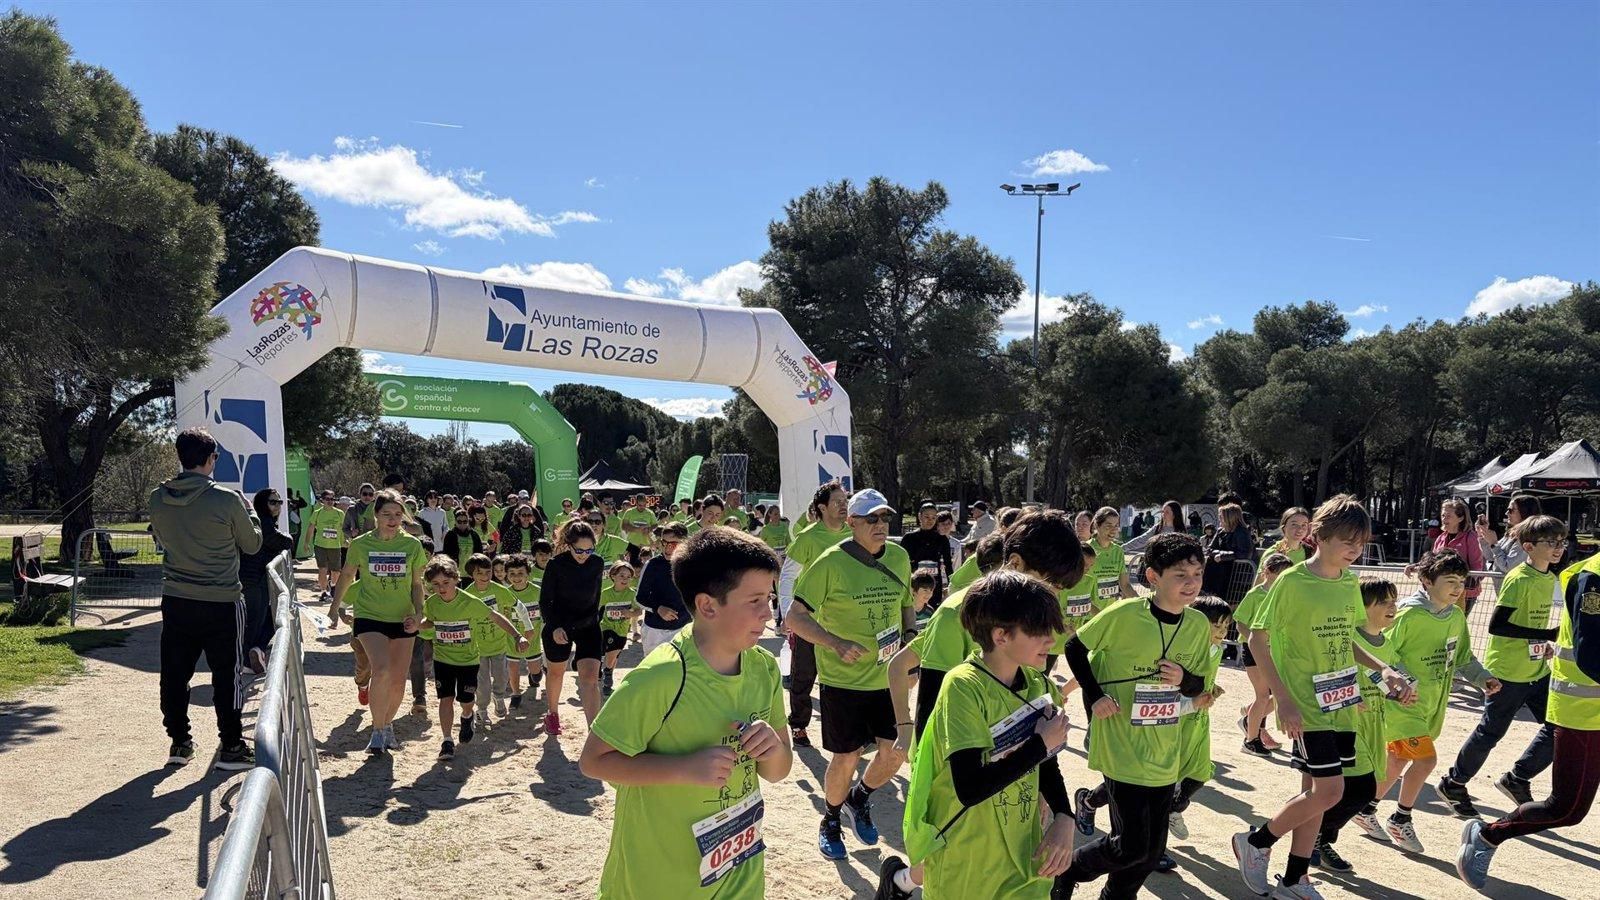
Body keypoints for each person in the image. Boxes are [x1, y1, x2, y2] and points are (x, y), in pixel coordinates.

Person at [580, 526, 792, 899]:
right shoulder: (662, 674)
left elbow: (777, 771)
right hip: (658, 882)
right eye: (755, 600)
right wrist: (683, 768)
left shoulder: (764, 668)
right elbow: (593, 761)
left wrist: (773, 750)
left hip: (739, 875)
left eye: (770, 598)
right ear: (708, 606)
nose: (768, 612)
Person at [1233, 495, 1418, 899]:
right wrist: (1282, 698)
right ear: (1320, 536)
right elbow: (1257, 639)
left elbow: (1346, 639)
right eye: (1347, 541)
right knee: (1331, 792)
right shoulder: (1292, 581)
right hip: (1304, 704)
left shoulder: (1349, 582)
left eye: (1360, 543)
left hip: (1341, 702)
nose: (1355, 550)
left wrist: (1383, 669)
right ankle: (1256, 842)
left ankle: (1295, 878)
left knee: (1315, 795)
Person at [878, 570, 1076, 900]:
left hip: (1021, 852)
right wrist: (1040, 744)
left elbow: (1046, 763)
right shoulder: (963, 686)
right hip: (965, 855)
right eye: (1039, 631)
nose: (1051, 640)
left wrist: (1064, 816)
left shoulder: (1039, 685)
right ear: (1001, 636)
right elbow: (970, 788)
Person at [1055, 532, 1213, 899]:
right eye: (1180, 575)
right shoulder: (1125, 614)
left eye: (1197, 574)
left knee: (1150, 854)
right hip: (1121, 743)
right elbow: (1075, 646)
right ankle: (1068, 871)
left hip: (1164, 748)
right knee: (1131, 845)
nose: (1191, 583)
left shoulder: (1198, 624)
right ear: (1154, 577)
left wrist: (1184, 678)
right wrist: (1095, 696)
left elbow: (1198, 686)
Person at [1457, 548, 1600, 890]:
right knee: (1567, 809)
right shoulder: (1592, 579)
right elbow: (1590, 655)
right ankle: (1488, 836)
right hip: (1583, 712)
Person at [786, 488, 915, 861]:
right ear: (852, 523)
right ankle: (830, 819)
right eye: (871, 518)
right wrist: (835, 642)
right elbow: (795, 617)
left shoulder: (900, 557)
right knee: (847, 757)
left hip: (887, 678)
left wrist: (910, 640)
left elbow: (907, 603)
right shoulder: (830, 563)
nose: (880, 525)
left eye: (885, 518)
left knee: (895, 753)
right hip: (843, 681)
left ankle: (860, 797)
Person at [891, 510, 1084, 742]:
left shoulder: (1032, 615)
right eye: (1051, 585)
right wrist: (905, 726)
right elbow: (931, 712)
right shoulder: (957, 614)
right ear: (1015, 563)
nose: (1054, 596)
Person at [1369, 550, 1500, 851]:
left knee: (1398, 760)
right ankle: (1401, 818)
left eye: (1462, 581)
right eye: (1450, 580)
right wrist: (1400, 685)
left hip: (1433, 703)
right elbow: (1382, 653)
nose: (1457, 587)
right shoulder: (1407, 614)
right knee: (1426, 760)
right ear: (1427, 580)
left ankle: (1365, 808)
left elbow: (1462, 657)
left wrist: (1483, 678)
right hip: (1402, 704)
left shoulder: (1455, 616)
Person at [149, 427, 264, 769]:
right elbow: (252, 544)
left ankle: (179, 742)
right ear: (211, 458)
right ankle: (232, 746)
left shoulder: (158, 497)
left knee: (174, 673)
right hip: (222, 599)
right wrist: (251, 512)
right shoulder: (227, 500)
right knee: (227, 675)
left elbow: (162, 538)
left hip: (177, 597)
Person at [1440, 515, 1565, 815]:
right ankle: (1453, 783)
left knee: (1561, 727)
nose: (1558, 548)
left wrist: (1541, 643)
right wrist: (1546, 634)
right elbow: (1497, 625)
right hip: (1507, 672)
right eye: (1551, 542)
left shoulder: (1549, 578)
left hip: (1536, 670)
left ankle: (1517, 778)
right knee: (1491, 732)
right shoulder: (1518, 579)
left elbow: (1529, 623)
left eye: (1561, 542)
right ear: (1529, 547)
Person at [1311, 576, 1405, 873]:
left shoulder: (1387, 645)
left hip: (1375, 724)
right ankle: (1313, 834)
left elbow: (1383, 680)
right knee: (1360, 790)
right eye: (1384, 602)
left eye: (1394, 601)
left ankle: (1319, 839)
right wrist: (1348, 696)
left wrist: (1400, 692)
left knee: (1359, 788)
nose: (1392, 607)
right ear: (1361, 608)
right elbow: (1326, 673)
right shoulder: (1346, 638)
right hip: (1346, 725)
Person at [328, 488, 428, 753]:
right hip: (369, 615)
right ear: (376, 515)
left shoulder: (412, 545)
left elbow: (417, 584)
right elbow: (347, 575)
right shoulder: (361, 544)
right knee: (381, 670)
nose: (393, 520)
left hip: (403, 618)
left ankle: (387, 725)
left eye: (397, 514)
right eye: (387, 514)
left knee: (398, 680)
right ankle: (376, 730)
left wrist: (419, 614)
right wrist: (335, 608)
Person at [418, 555, 528, 759]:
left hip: (467, 661)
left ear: (456, 579)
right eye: (436, 584)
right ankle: (447, 741)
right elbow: (430, 621)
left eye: (446, 582)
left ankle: (467, 715)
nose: (441, 588)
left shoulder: (470, 602)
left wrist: (517, 635)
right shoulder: (432, 603)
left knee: (466, 700)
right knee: (445, 699)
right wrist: (417, 624)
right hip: (442, 659)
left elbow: (496, 617)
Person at [1162, 596, 1233, 870]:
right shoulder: (1184, 650)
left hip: (1199, 723)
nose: (1222, 631)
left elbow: (1203, 682)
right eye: (1216, 625)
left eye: (1226, 626)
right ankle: (1155, 847)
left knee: (1201, 774)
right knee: (1159, 784)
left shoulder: (1216, 650)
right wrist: (1191, 702)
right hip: (1175, 723)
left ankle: (1174, 809)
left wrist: (1211, 690)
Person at [780, 480, 852, 748]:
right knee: (804, 675)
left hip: (844, 619)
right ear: (822, 508)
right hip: (809, 620)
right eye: (838, 502)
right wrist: (788, 614)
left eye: (845, 501)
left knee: (843, 675)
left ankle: (846, 728)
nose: (844, 506)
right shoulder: (807, 538)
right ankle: (799, 724)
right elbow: (788, 577)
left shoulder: (854, 535)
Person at [539, 520, 606, 735]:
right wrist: (554, 627)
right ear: (569, 545)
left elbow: (596, 597)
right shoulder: (556, 564)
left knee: (590, 678)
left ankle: (594, 730)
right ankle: (552, 714)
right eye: (579, 550)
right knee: (556, 673)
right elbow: (545, 601)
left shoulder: (597, 563)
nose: (584, 555)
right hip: (559, 626)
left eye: (589, 550)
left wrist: (595, 620)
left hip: (588, 625)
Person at [1236, 552, 1295, 756]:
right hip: (1254, 651)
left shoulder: (1285, 596)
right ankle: (1251, 740)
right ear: (1268, 572)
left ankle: (1250, 719)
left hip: (1275, 651)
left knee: (1280, 694)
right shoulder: (1255, 594)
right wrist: (1256, 642)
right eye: (1282, 573)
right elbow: (1240, 623)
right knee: (1262, 696)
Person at [238, 488, 295, 674]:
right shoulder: (263, 521)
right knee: (256, 619)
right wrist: (289, 538)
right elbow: (278, 540)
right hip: (254, 577)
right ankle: (249, 659)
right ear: (263, 504)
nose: (277, 506)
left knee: (270, 615)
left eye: (280, 502)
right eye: (273, 502)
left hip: (255, 576)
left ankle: (257, 650)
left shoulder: (262, 521)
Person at [463, 553, 515, 724]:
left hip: (499, 644)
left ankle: (499, 697)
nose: (485, 576)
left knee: (501, 677)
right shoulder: (466, 595)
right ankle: (482, 710)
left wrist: (523, 630)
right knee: (482, 682)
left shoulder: (500, 590)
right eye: (479, 573)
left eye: (488, 572)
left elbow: (516, 606)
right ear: (471, 574)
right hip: (478, 648)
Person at [637, 522, 691, 656]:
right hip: (654, 631)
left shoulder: (692, 565)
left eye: (672, 544)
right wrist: (658, 608)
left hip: (683, 629)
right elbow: (639, 597)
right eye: (664, 542)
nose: (667, 548)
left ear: (684, 543)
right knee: (653, 668)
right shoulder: (652, 565)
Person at [501, 553, 542, 709]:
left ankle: (535, 675)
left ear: (528, 574)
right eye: (512, 573)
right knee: (512, 667)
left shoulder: (537, 591)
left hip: (533, 638)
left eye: (520, 573)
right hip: (512, 638)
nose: (516, 577)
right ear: (506, 575)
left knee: (535, 672)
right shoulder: (504, 593)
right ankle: (516, 694)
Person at [1433, 497, 1485, 612]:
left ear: (1461, 518)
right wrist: (1416, 566)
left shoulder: (1471, 537)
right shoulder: (1440, 538)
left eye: (1448, 516)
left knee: (1457, 622)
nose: (1444, 519)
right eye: (1443, 515)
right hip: (1442, 590)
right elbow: (1432, 561)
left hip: (1464, 592)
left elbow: (1477, 566)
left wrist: (1463, 583)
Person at [902, 501, 955, 610]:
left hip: (934, 587)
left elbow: (948, 565)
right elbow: (902, 564)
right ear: (919, 516)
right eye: (926, 517)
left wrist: (952, 586)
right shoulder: (909, 538)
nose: (930, 520)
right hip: (915, 586)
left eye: (933, 517)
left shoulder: (942, 539)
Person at [599, 560, 640, 696]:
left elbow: (639, 611)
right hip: (606, 627)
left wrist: (630, 614)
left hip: (622, 630)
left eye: (628, 577)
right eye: (622, 576)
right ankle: (607, 671)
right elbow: (597, 610)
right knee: (611, 649)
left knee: (614, 655)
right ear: (613, 576)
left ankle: (608, 675)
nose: (625, 579)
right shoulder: (605, 593)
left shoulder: (632, 594)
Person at [1476, 494, 1543, 574]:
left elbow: (1508, 567)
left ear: (1524, 512)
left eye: (1511, 510)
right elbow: (1490, 556)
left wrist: (1494, 544)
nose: (1506, 513)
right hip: (1501, 582)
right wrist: (1483, 534)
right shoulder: (1511, 533)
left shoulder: (1527, 537)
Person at [1087, 507, 1134, 604]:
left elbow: (1125, 585)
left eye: (1116, 526)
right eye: (1108, 526)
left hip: (1111, 610)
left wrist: (1142, 603)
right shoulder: (1086, 549)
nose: (1113, 530)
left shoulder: (1118, 551)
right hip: (1090, 611)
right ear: (1097, 525)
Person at [308, 489, 347, 601]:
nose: (330, 501)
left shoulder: (340, 513)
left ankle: (333, 586)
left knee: (336, 571)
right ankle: (324, 591)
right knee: (322, 569)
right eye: (327, 499)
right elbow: (311, 528)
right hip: (320, 545)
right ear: (322, 500)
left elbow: (343, 529)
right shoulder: (317, 513)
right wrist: (307, 543)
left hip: (335, 546)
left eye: (332, 499)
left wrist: (345, 540)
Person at [618, 493, 656, 567]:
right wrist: (636, 529)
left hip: (646, 546)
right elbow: (623, 526)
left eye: (644, 505)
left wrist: (649, 529)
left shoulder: (650, 513)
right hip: (632, 545)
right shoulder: (629, 512)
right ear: (636, 503)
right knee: (632, 567)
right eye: (640, 505)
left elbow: (655, 525)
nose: (642, 507)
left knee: (646, 568)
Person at [442, 508, 484, 574]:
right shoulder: (450, 535)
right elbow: (446, 555)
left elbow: (479, 553)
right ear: (455, 521)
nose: (462, 524)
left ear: (468, 521)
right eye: (459, 521)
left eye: (465, 521)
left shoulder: (474, 534)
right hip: (456, 572)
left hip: (472, 572)